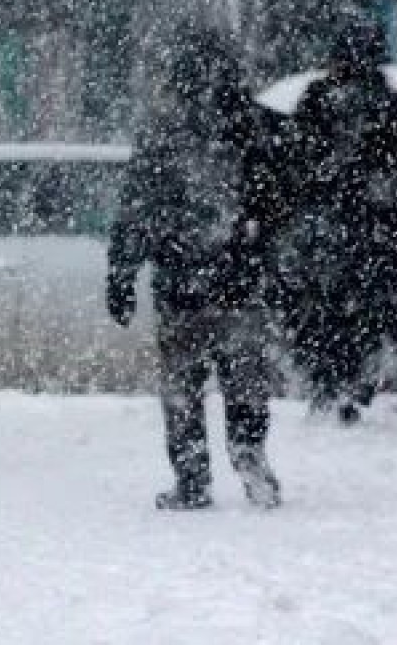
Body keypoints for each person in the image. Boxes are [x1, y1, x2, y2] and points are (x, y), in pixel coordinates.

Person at [107, 26, 281, 511]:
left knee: (183, 388)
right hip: (240, 281)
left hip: (180, 281)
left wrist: (121, 273)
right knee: (244, 382)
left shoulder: (163, 134)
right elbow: (277, 203)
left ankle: (191, 477)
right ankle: (249, 453)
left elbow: (136, 210)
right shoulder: (253, 127)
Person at [289, 20, 397, 423]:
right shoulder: (392, 105)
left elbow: (294, 158)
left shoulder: (318, 99)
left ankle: (328, 384)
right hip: (376, 227)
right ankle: (352, 381)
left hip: (331, 225)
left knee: (325, 309)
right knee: (365, 311)